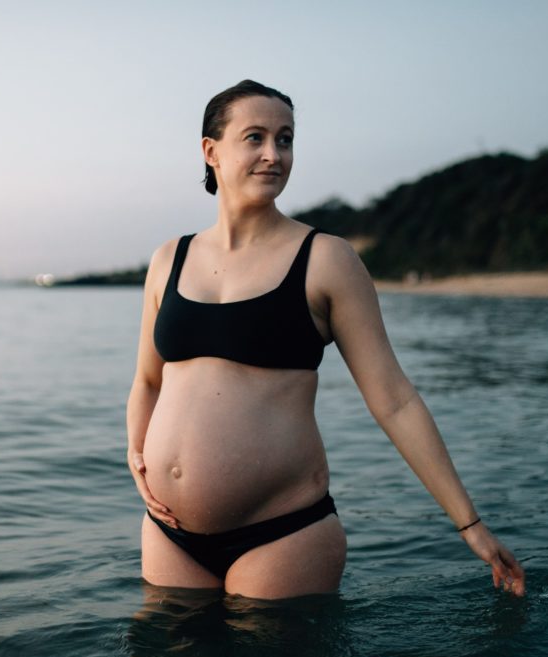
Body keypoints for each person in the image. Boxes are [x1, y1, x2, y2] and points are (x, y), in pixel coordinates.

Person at [126, 79, 526, 600]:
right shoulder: (167, 260)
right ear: (211, 151)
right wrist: (136, 457)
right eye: (255, 138)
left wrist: (469, 525)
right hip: (168, 534)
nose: (274, 154)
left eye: (285, 139)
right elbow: (147, 381)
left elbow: (395, 400)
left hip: (282, 534)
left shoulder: (326, 259)